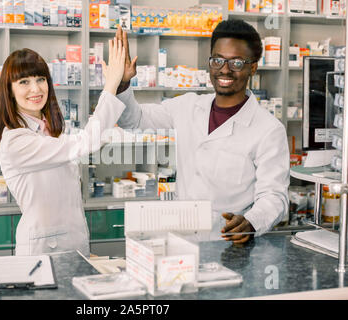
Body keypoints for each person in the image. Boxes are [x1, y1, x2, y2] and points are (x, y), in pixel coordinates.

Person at [115, 20, 290, 244]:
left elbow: (274, 196)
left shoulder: (268, 129)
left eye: (236, 62)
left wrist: (251, 222)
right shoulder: (187, 106)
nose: (224, 70)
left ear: (253, 67)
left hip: (228, 244)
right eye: (217, 60)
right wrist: (121, 84)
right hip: (181, 239)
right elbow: (134, 120)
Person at [0, 39, 126, 256]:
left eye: (40, 79)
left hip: (71, 242)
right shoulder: (16, 141)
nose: (35, 89)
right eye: (24, 82)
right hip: (44, 251)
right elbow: (85, 142)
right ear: (9, 91)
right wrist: (110, 85)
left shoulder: (46, 129)